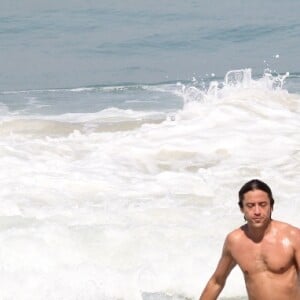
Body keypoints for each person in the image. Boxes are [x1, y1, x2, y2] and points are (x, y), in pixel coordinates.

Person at [199, 179, 300, 300]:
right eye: (250, 206)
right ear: (242, 208)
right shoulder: (234, 241)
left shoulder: (293, 236)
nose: (257, 211)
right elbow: (216, 282)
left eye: (262, 205)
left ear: (271, 206)